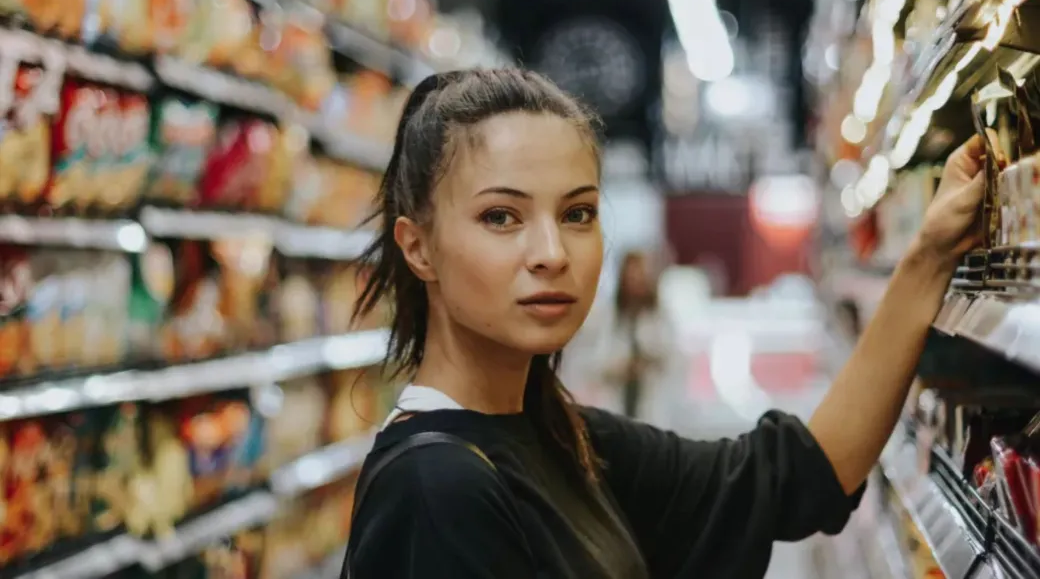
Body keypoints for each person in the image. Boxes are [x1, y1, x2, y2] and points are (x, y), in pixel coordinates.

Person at [341, 68, 986, 579]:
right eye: (501, 217)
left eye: (578, 214)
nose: (552, 253)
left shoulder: (560, 435)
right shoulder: (436, 491)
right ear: (417, 246)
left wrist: (929, 255)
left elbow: (796, 475)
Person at [598, 250, 674, 420]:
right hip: (617, 401)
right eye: (632, 275)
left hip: (651, 403)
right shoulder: (609, 316)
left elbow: (672, 357)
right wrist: (621, 367)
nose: (636, 281)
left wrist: (646, 361)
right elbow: (595, 363)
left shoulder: (659, 316)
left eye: (640, 275)